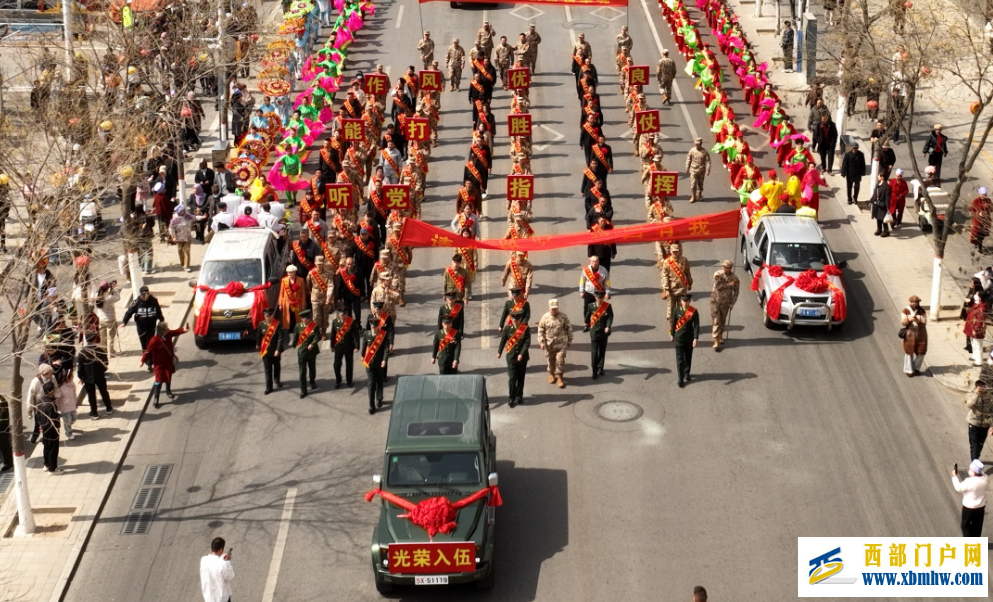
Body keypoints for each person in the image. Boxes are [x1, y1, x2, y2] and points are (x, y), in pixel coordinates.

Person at [141, 322, 189, 408]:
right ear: (161, 331)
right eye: (166, 329)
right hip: (159, 364)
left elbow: (176, 332)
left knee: (168, 377)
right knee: (158, 380)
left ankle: (168, 391)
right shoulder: (154, 340)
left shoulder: (168, 334)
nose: (168, 329)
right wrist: (142, 360)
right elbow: (148, 351)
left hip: (168, 362)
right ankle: (156, 397)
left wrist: (183, 330)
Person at [497, 310, 530, 407]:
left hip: (522, 358)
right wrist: (499, 352)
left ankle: (519, 396)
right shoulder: (507, 329)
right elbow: (503, 340)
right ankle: (511, 397)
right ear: (511, 318)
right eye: (514, 319)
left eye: (517, 319)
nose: (515, 320)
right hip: (511, 357)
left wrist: (522, 354)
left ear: (520, 319)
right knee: (512, 378)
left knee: (520, 377)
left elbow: (527, 342)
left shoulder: (525, 329)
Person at [537, 299, 573, 388]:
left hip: (561, 343)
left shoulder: (563, 317)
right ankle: (551, 374)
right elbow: (540, 330)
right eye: (552, 309)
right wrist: (541, 342)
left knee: (560, 361)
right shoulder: (545, 318)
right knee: (550, 360)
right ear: (549, 308)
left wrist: (569, 339)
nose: (554, 310)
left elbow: (568, 328)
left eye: (555, 308)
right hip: (549, 344)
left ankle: (560, 377)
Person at [952, 460, 988, 537]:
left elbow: (959, 488)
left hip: (969, 508)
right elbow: (982, 473)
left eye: (970, 469)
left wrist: (955, 477)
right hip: (981, 507)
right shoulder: (985, 478)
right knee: (977, 526)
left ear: (974, 471)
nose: (969, 469)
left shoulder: (970, 482)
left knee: (965, 526)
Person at [122, 285, 164, 351]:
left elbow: (158, 310)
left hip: (151, 326)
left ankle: (149, 358)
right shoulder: (136, 303)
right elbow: (129, 312)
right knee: (143, 344)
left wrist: (161, 320)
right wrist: (124, 322)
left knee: (149, 343)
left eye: (145, 295)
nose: (144, 296)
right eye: (142, 295)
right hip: (141, 327)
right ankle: (145, 355)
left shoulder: (154, 301)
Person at [671, 293, 699, 388]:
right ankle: (680, 378)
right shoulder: (676, 310)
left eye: (687, 301)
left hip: (689, 338)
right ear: (680, 301)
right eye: (683, 301)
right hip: (678, 338)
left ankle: (687, 372)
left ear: (689, 301)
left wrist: (695, 338)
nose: (685, 303)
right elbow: (673, 322)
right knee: (680, 359)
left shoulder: (693, 311)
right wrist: (672, 334)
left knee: (688, 356)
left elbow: (696, 326)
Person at [711, 260, 740, 351]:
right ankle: (716, 340)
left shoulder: (734, 278)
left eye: (726, 267)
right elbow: (718, 286)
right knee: (716, 321)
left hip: (726, 303)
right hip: (715, 301)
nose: (724, 268)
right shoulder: (718, 275)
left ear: (730, 268)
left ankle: (720, 336)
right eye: (723, 266)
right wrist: (728, 284)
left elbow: (736, 292)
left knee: (722, 321)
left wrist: (732, 303)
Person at [77, 344, 113, 418]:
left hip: (88, 377)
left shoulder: (82, 353)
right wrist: (102, 370)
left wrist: (80, 376)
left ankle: (94, 413)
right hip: (99, 375)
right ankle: (109, 408)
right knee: (104, 392)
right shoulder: (99, 350)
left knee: (91, 396)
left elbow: (80, 367)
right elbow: (105, 362)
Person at [361, 318, 389, 413]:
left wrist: (384, 360)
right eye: (372, 327)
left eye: (375, 327)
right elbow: (364, 345)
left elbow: (386, 348)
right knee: (371, 383)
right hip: (369, 363)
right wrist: (362, 356)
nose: (373, 328)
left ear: (378, 326)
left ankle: (379, 398)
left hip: (379, 362)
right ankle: (371, 405)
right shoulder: (366, 334)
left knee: (379, 381)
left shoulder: (383, 335)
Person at [660, 243, 693, 322]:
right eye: (674, 252)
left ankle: (681, 327)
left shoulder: (684, 260)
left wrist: (689, 282)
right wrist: (666, 289)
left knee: (682, 308)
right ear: (671, 251)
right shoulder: (667, 262)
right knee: (671, 309)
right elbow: (664, 276)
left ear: (679, 252)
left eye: (676, 251)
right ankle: (672, 328)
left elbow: (687, 272)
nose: (675, 253)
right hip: (672, 289)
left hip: (682, 288)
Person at [330, 303, 360, 388]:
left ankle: (349, 381)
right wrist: (332, 346)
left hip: (349, 346)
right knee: (336, 364)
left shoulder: (352, 322)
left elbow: (355, 335)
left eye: (344, 314)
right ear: (338, 314)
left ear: (346, 314)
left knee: (349, 364)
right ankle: (338, 380)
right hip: (338, 346)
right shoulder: (335, 322)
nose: (342, 316)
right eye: (340, 314)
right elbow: (333, 334)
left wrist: (357, 346)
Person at [578, 255, 610, 332]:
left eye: (596, 261)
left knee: (598, 310)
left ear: (598, 262)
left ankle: (597, 325)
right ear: (590, 262)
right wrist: (581, 291)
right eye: (593, 261)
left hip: (599, 293)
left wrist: (607, 292)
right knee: (587, 309)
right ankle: (587, 324)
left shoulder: (603, 270)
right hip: (588, 292)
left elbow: (607, 282)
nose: (595, 263)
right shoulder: (586, 270)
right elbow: (582, 280)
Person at [257, 308, 285, 395]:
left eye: (269, 316)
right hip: (265, 351)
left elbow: (280, 338)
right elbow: (258, 335)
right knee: (267, 369)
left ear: (272, 315)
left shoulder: (277, 324)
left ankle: (277, 380)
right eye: (266, 316)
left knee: (276, 366)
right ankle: (269, 387)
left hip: (275, 350)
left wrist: (278, 349)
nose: (267, 317)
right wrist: (257, 344)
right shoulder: (261, 324)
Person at [293, 309, 320, 398]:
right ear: (302, 319)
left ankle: (312, 381)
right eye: (306, 318)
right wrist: (294, 344)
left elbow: (317, 336)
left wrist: (312, 344)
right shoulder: (298, 326)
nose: (308, 320)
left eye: (309, 318)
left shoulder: (314, 326)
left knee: (312, 368)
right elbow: (295, 336)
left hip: (311, 352)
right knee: (302, 371)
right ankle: (303, 390)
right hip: (302, 352)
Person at [587, 290, 613, 379]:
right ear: (595, 297)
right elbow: (587, 316)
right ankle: (594, 371)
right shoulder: (591, 306)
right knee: (594, 353)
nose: (599, 299)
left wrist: (608, 326)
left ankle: (600, 368)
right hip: (594, 332)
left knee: (602, 351)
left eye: (601, 297)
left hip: (603, 333)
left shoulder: (607, 306)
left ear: (603, 297)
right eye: (598, 298)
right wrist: (586, 323)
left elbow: (610, 316)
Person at [37, 381, 62, 474]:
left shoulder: (40, 401)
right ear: (51, 391)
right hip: (52, 430)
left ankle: (46, 464)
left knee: (46, 447)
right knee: (53, 449)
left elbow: (37, 415)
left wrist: (41, 426)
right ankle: (52, 468)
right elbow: (52, 420)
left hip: (44, 429)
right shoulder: (50, 405)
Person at [200, 536, 234, 602]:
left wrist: (222, 559)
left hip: (209, 598)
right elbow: (229, 576)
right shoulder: (223, 564)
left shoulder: (203, 560)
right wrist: (227, 561)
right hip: (222, 599)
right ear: (221, 549)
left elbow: (215, 563)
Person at [901, 295, 928, 376]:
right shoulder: (906, 310)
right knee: (909, 352)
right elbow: (902, 322)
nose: (914, 304)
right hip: (910, 334)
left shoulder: (922, 311)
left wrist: (917, 320)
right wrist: (909, 320)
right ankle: (908, 370)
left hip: (921, 334)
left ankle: (916, 368)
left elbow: (925, 322)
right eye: (912, 302)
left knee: (922, 352)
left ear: (918, 303)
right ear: (910, 302)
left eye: (915, 303)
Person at [967, 380, 993, 461]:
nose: (983, 390)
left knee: (980, 446)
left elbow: (991, 412)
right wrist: (977, 394)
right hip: (974, 424)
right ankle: (974, 465)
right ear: (976, 388)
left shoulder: (989, 398)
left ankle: (975, 460)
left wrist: (992, 425)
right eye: (981, 388)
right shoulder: (972, 394)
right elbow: (970, 404)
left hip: (984, 426)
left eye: (984, 388)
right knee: (974, 446)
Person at [169, 205, 196, 272]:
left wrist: (203, 217)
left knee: (186, 251)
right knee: (180, 251)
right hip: (179, 238)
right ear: (179, 212)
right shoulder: (174, 220)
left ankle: (186, 266)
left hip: (187, 237)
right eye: (183, 210)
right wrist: (173, 237)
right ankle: (182, 263)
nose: (184, 211)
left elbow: (195, 218)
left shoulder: (188, 216)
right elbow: (171, 229)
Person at [685, 138, 711, 203]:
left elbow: (708, 162)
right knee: (693, 184)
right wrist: (687, 167)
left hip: (701, 170)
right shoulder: (692, 150)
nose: (696, 145)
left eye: (698, 144)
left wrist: (708, 170)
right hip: (693, 170)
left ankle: (699, 195)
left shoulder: (705, 152)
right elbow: (688, 159)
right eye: (696, 144)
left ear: (701, 144)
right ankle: (693, 196)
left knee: (700, 184)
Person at [970, 188, 993, 252]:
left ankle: (979, 244)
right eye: (983, 195)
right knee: (977, 233)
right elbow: (971, 210)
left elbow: (992, 209)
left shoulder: (988, 200)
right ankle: (979, 247)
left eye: (985, 194)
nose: (984, 196)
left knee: (982, 235)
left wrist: (988, 208)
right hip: (978, 221)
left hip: (985, 221)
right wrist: (978, 213)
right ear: (980, 194)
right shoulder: (975, 201)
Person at [870, 172, 892, 237]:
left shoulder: (886, 187)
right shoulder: (878, 184)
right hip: (877, 204)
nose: (878, 177)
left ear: (882, 177)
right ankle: (879, 229)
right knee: (877, 217)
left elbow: (887, 197)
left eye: (879, 176)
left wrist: (887, 206)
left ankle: (886, 231)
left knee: (883, 219)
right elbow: (875, 193)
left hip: (882, 205)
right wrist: (871, 200)